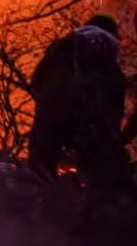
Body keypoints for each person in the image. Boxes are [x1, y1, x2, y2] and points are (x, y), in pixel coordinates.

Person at [28, 15, 135, 203]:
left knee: (40, 174)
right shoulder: (109, 67)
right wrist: (115, 141)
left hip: (49, 119)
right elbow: (111, 110)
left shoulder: (57, 52)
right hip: (88, 128)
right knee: (101, 181)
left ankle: (39, 206)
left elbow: (36, 83)